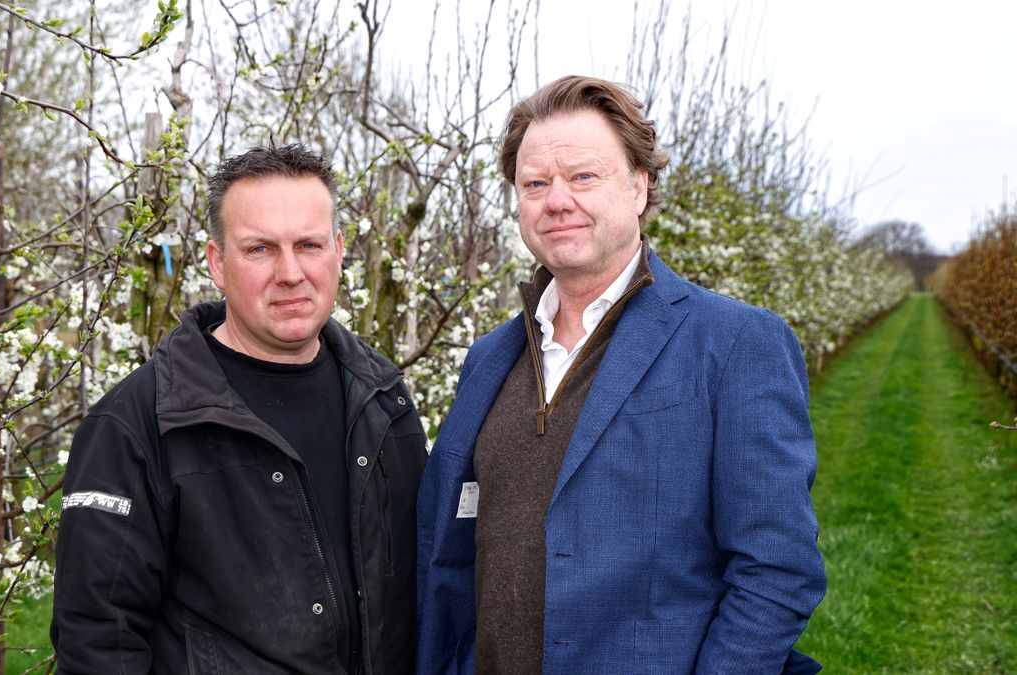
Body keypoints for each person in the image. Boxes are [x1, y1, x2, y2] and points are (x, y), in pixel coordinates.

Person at [416, 76, 826, 674]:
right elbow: (453, 554)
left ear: (639, 185)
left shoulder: (735, 344)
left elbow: (777, 570)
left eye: (583, 177)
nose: (557, 201)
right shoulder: (489, 359)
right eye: (535, 184)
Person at [52, 144, 428, 674]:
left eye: (309, 244)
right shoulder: (138, 425)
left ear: (339, 250)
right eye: (259, 249)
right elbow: (98, 640)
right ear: (217, 263)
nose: (291, 272)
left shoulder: (385, 403)